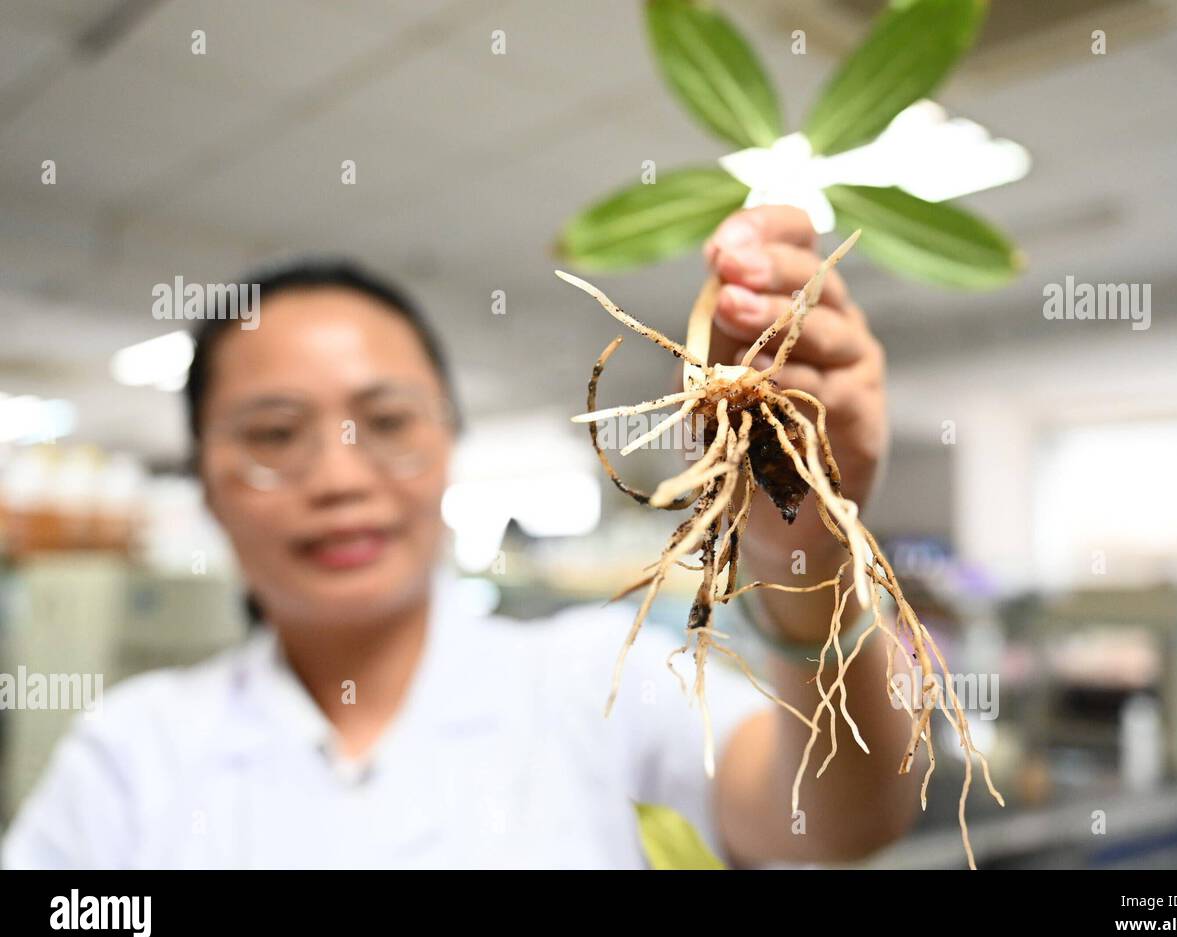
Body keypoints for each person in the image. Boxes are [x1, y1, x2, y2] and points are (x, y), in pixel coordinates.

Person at [2, 205, 918, 868]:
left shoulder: (600, 680)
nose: (341, 476)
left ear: (448, 443)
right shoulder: (128, 756)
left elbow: (834, 820)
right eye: (275, 434)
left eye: (387, 420)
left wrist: (808, 551)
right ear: (204, 481)